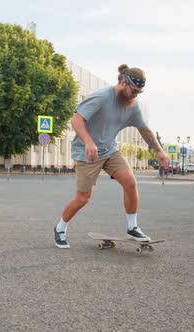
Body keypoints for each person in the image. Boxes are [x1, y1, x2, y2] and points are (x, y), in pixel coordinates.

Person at [54, 64, 170, 249]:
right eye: (134, 90)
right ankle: (60, 227)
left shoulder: (132, 106)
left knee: (130, 182)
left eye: (139, 92)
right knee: (83, 198)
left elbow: (144, 130)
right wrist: (88, 141)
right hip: (87, 152)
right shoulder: (101, 97)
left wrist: (159, 150)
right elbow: (76, 119)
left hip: (109, 150)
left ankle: (132, 227)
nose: (136, 95)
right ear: (123, 82)